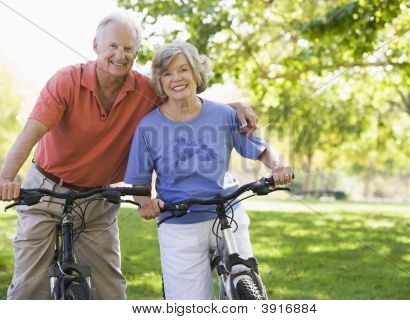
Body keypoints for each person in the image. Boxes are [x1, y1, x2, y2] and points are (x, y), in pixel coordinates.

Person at [0, 12, 258, 300]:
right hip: (46, 191)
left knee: (110, 290)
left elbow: (186, 100)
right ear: (96, 46)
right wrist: (7, 177)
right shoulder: (66, 81)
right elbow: (31, 132)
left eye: (128, 49)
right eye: (112, 46)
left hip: (98, 199)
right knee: (28, 287)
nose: (120, 55)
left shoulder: (145, 90)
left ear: (136, 53)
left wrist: (232, 107)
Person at [124, 40, 294, 300]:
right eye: (167, 73)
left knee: (247, 289)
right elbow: (138, 184)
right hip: (179, 222)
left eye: (183, 69)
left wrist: (278, 166)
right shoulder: (148, 127)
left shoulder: (224, 114)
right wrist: (145, 203)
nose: (176, 78)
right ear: (159, 81)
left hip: (228, 213)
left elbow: (260, 149)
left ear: (196, 73)